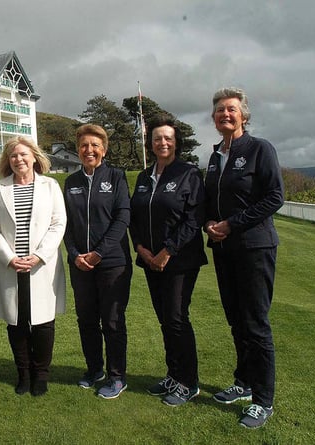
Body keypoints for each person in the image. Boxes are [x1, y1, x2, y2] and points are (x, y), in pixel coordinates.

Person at [204, 87, 284, 429]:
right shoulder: (214, 156)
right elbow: (211, 200)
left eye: (231, 109)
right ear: (214, 118)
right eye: (220, 109)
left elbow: (275, 196)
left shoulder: (259, 149)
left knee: (255, 324)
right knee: (236, 321)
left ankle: (262, 400)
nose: (225, 113)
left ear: (243, 115)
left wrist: (231, 224)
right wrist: (210, 223)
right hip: (224, 251)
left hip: (254, 248)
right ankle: (244, 380)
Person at [130, 114, 207, 407]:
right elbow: (134, 217)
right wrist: (140, 247)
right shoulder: (143, 177)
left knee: (176, 318)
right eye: (157, 138)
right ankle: (173, 375)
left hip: (179, 260)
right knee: (165, 320)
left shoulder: (189, 173)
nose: (162, 142)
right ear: (150, 143)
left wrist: (167, 251)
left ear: (176, 142)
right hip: (150, 260)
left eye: (168, 138)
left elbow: (193, 218)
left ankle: (188, 382)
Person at [0, 136, 66, 396]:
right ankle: (24, 373)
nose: (19, 159)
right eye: (13, 156)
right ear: (8, 161)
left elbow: (58, 223)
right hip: (11, 265)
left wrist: (40, 255)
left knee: (43, 323)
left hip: (41, 265)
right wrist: (8, 256)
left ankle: (41, 374)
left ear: (34, 157)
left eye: (23, 154)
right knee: (16, 322)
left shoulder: (50, 186)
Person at [63, 123, 132, 399]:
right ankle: (95, 370)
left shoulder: (116, 177)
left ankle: (117, 377)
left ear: (103, 149)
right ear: (78, 150)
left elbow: (122, 218)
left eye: (94, 145)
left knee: (113, 321)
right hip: (80, 264)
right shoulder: (70, 183)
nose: (88, 150)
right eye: (83, 145)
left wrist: (99, 252)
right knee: (86, 319)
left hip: (112, 262)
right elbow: (64, 223)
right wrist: (73, 254)